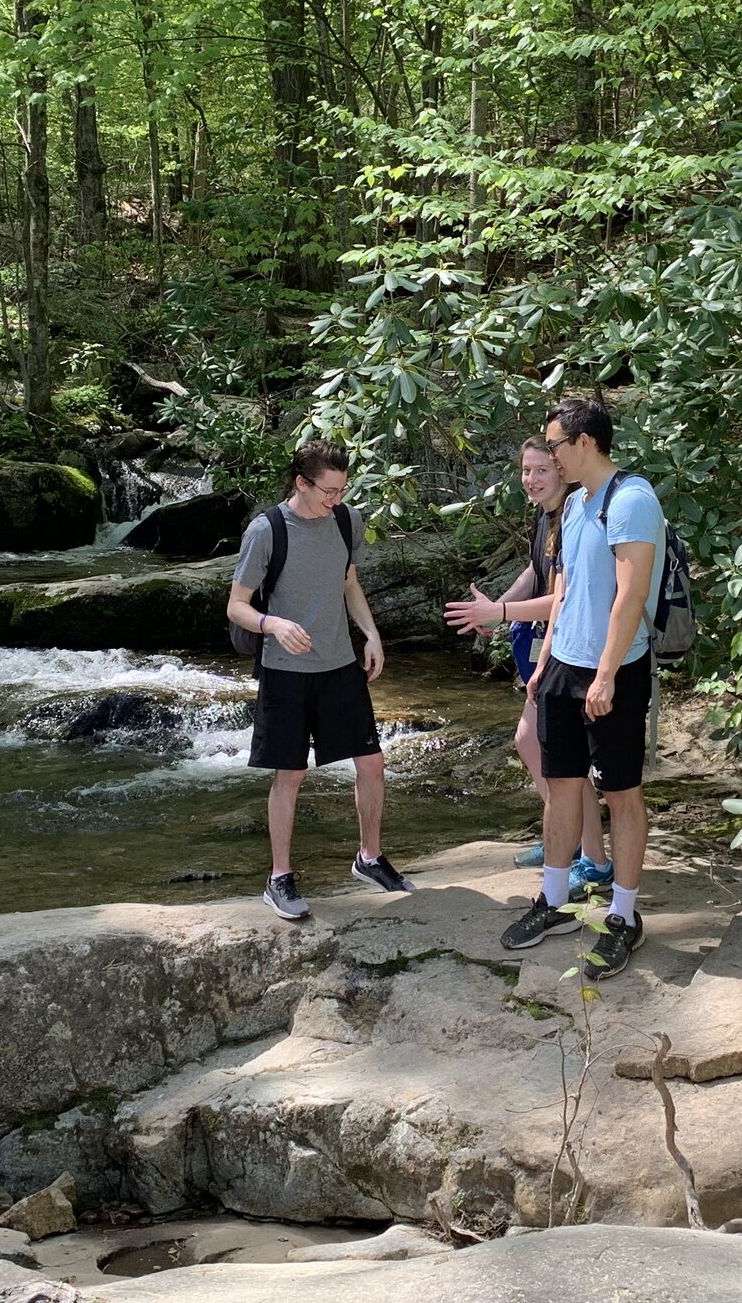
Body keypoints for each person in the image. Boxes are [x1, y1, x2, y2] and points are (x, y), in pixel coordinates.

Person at [499, 399, 662, 977]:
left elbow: (630, 596)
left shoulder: (633, 501)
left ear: (585, 443)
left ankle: (623, 918)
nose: (551, 456)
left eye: (557, 446)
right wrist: (545, 663)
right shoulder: (573, 506)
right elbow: (566, 591)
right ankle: (556, 901)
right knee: (562, 783)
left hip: (614, 669)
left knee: (621, 792)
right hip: (565, 665)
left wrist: (609, 674)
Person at [226, 440, 412, 920]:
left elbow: (349, 583)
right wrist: (274, 624)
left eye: (341, 490)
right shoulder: (266, 532)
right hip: (286, 674)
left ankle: (369, 858)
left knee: (371, 763)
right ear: (301, 483)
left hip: (339, 667)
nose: (336, 500)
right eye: (327, 491)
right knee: (291, 775)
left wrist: (370, 634)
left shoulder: (346, 521)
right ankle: (279, 878)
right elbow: (237, 607)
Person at [444, 437, 610, 898]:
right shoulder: (547, 515)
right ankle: (570, 840)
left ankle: (593, 859)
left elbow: (564, 597)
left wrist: (497, 615)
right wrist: (500, 605)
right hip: (555, 650)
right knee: (533, 746)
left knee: (566, 764)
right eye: (526, 471)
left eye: (541, 470)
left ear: (563, 471)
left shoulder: (574, 515)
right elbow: (536, 574)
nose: (531, 479)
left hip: (573, 652)